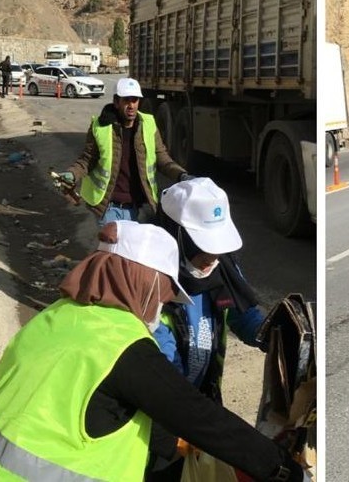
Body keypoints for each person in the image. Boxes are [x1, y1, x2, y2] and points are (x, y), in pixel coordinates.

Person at [0, 221, 306, 482]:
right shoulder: (124, 347)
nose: (161, 305)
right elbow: (197, 416)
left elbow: (91, 407)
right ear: (140, 281)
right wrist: (280, 467)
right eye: (161, 292)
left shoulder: (53, 318)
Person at [148, 177, 272, 479]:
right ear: (176, 236)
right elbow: (162, 372)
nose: (212, 258)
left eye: (217, 248)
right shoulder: (150, 280)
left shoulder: (222, 267)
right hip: (161, 416)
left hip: (202, 402)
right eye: (204, 248)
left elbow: (242, 314)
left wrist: (271, 333)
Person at [57, 77, 189, 225]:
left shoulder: (148, 124)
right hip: (109, 208)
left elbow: (163, 158)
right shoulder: (100, 127)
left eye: (135, 100)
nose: (131, 105)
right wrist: (72, 174)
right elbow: (87, 159)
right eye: (126, 100)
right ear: (116, 102)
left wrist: (181, 175)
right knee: (114, 248)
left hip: (140, 207)